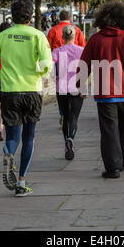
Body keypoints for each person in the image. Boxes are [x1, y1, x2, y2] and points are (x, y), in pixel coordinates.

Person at [0, 0, 53, 197]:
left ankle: (9, 153)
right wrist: (38, 74)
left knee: (13, 136)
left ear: (11, 16)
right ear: (31, 16)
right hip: (31, 91)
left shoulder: (3, 36)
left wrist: (3, 75)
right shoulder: (38, 36)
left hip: (10, 92)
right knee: (29, 137)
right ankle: (21, 182)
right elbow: (47, 65)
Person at [79, 1, 124, 179]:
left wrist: (80, 86)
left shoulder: (95, 39)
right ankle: (123, 161)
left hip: (105, 94)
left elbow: (84, 64)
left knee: (109, 131)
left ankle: (112, 167)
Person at [52, 25, 84, 160]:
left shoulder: (57, 51)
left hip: (62, 88)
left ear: (63, 37)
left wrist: (55, 79)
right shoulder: (82, 50)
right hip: (77, 87)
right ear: (75, 36)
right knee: (74, 117)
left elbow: (50, 67)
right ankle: (71, 138)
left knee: (65, 116)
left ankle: (66, 141)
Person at [0, 21, 13, 141]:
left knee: (2, 100)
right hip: (9, 74)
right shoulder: (12, 43)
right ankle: (5, 125)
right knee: (8, 101)